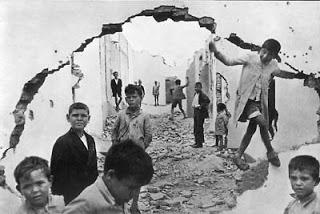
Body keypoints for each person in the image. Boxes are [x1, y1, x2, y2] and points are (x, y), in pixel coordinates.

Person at [209, 36, 308, 170]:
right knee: (262, 122)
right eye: (264, 52)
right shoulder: (250, 58)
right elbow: (229, 61)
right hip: (247, 102)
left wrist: (300, 75)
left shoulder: (273, 65)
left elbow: (282, 73)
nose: (265, 56)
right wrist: (216, 51)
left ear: (274, 56)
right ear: (261, 49)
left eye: (270, 54)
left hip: (260, 103)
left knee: (252, 130)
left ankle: (238, 155)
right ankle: (270, 152)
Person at [63, 140, 154, 214]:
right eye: (131, 188)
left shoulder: (116, 197)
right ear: (110, 175)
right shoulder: (86, 205)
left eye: (137, 189)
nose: (133, 195)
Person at [111, 84, 152, 214]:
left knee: (136, 180)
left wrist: (142, 147)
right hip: (122, 154)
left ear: (141, 97)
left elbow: (148, 135)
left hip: (137, 155)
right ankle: (122, 205)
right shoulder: (121, 114)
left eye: (134, 97)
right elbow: (114, 131)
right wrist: (116, 145)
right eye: (128, 97)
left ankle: (134, 204)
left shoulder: (144, 116)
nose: (131, 100)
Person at [50, 102, 98, 204]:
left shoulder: (90, 140)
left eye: (83, 116)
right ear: (68, 118)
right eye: (75, 115)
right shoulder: (62, 142)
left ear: (88, 119)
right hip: (71, 195)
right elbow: (56, 174)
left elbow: (93, 167)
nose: (79, 119)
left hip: (89, 193)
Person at [191, 82, 210, 148]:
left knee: (199, 128)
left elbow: (207, 101)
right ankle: (196, 142)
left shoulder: (202, 94)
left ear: (201, 88)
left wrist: (200, 106)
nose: (196, 88)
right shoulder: (195, 94)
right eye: (195, 87)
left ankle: (199, 143)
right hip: (196, 112)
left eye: (197, 87)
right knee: (195, 128)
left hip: (200, 113)